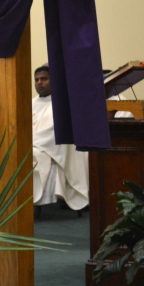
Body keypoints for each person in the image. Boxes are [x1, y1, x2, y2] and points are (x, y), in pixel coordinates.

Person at [31, 64, 89, 211]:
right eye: (36, 80)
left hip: (47, 149)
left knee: (25, 155)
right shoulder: (28, 103)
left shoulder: (62, 104)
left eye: (44, 79)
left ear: (53, 80)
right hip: (34, 145)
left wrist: (27, 142)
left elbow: (53, 131)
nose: (39, 83)